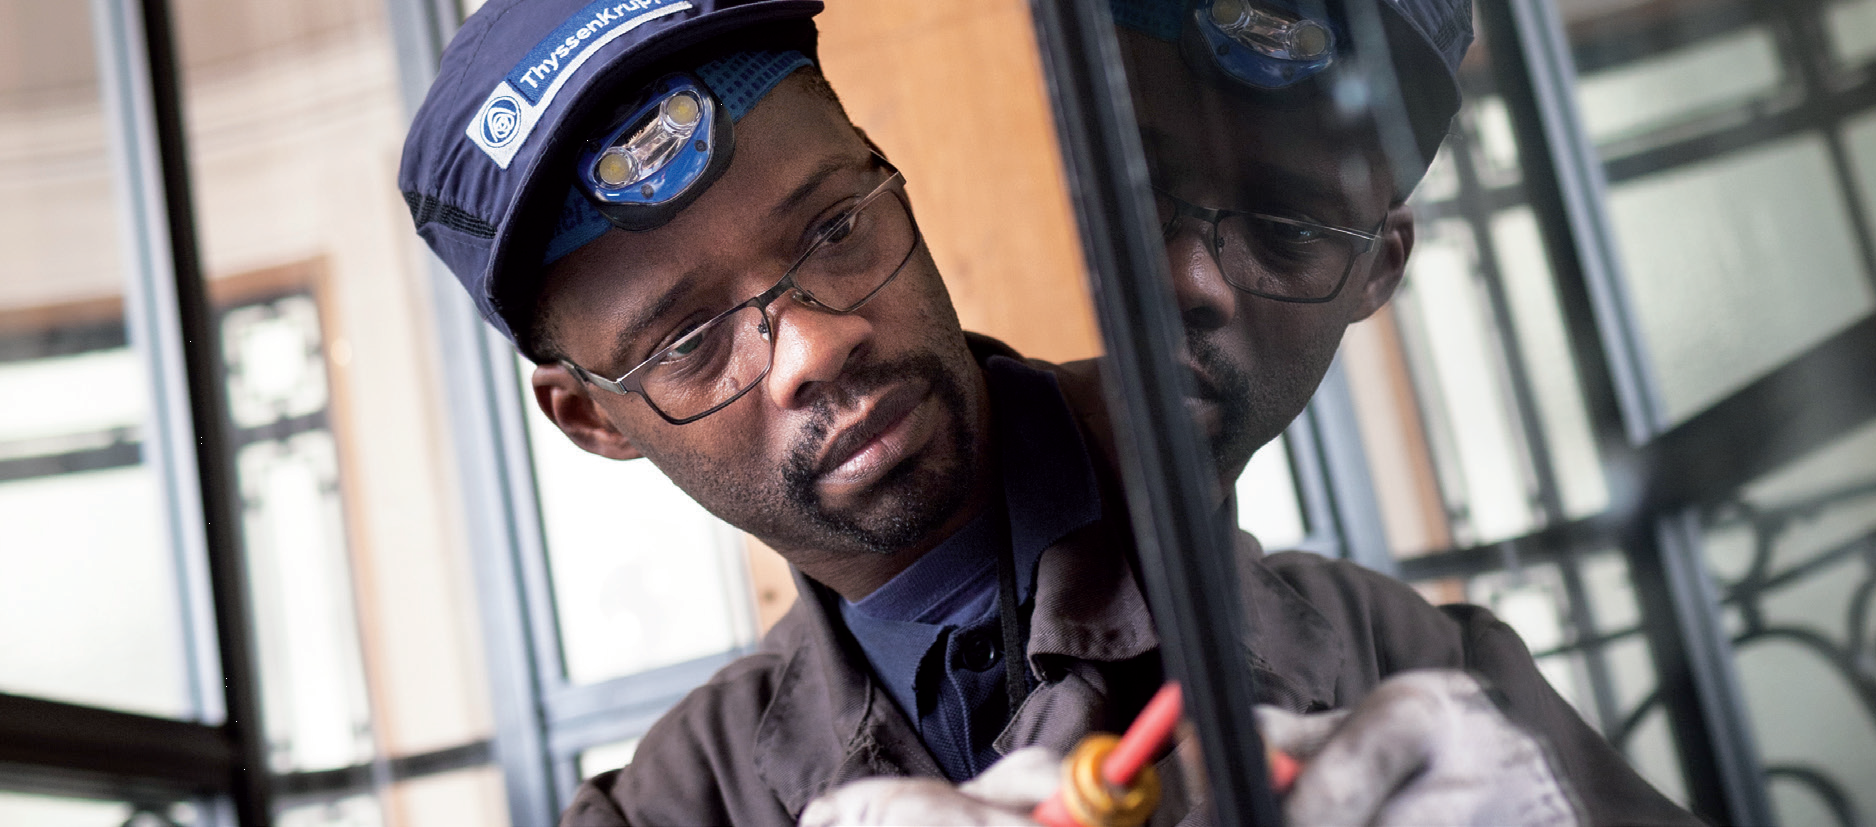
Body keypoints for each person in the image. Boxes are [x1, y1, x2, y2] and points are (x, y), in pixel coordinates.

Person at [398, 1, 1697, 825]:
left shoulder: (1405, 669)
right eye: (689, 337)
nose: (814, 343)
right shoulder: (672, 812)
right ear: (590, 418)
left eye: (838, 226)